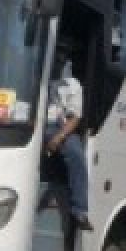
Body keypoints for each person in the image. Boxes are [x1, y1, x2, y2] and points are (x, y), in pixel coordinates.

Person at [45, 52, 92, 231]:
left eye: (61, 60)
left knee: (76, 153)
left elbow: (74, 119)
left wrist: (58, 138)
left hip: (59, 127)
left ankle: (79, 211)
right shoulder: (38, 75)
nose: (58, 62)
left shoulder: (74, 85)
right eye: (56, 58)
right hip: (36, 121)